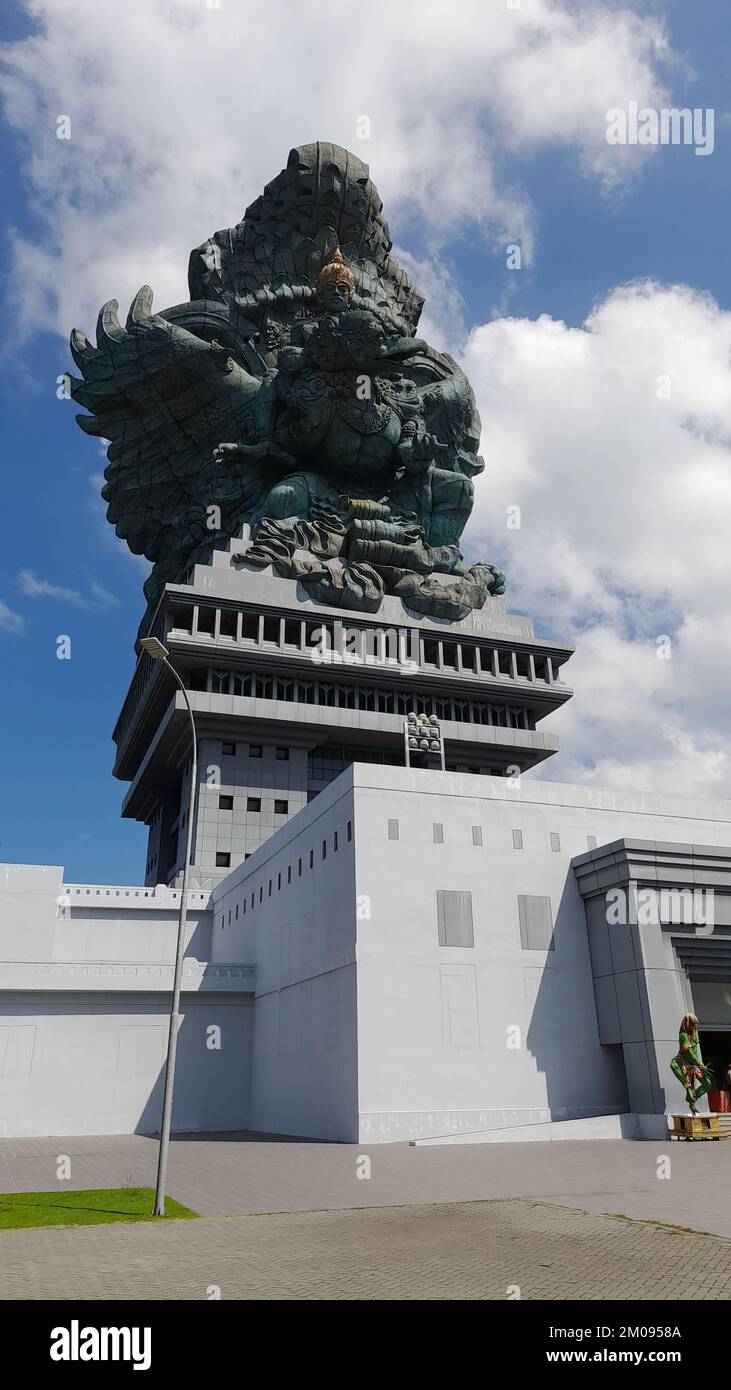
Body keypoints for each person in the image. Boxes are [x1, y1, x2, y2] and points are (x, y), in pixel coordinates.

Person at [670, 1013, 713, 1114]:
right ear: (687, 1023)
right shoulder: (683, 1035)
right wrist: (700, 1064)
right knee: (673, 1065)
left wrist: (699, 1065)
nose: (694, 1027)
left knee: (707, 1084)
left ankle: (692, 1098)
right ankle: (688, 1089)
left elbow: (694, 1052)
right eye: (693, 1024)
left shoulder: (694, 1034)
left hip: (694, 1065)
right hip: (683, 1063)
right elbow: (688, 1053)